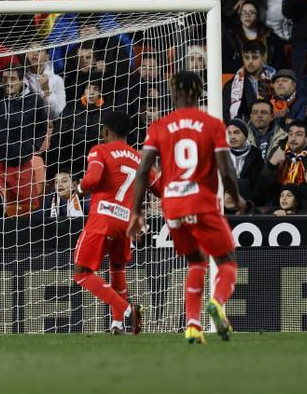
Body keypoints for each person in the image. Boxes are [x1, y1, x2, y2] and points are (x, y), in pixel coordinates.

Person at [129, 71, 247, 345]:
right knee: (227, 262)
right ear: (198, 92)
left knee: (195, 261)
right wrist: (236, 198)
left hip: (172, 205)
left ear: (173, 92)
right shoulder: (212, 124)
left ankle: (193, 325)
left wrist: (136, 212)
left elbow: (144, 170)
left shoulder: (159, 126)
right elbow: (226, 169)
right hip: (202, 202)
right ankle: (217, 303)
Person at [73, 111, 156, 335]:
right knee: (117, 268)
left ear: (106, 131)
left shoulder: (99, 150)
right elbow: (160, 188)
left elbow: (92, 179)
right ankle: (117, 325)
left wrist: (77, 190)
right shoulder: (140, 158)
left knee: (81, 273)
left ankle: (128, 310)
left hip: (103, 218)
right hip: (126, 223)